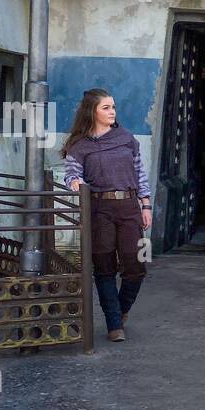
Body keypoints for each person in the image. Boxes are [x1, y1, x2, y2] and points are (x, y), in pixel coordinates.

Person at [61, 88, 150, 343]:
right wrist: (75, 181)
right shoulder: (79, 146)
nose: (112, 112)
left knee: (136, 265)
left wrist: (146, 206)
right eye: (106, 108)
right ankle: (114, 324)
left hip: (129, 207)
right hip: (99, 210)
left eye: (113, 107)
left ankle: (122, 309)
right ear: (92, 112)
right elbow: (71, 175)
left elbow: (139, 173)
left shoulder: (126, 138)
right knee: (104, 267)